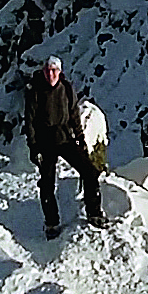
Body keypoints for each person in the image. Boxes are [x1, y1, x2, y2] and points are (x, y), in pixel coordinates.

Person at [22, 53, 104, 236]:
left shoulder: (66, 89)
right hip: (45, 142)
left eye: (54, 70)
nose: (50, 74)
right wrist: (34, 148)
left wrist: (81, 139)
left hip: (65, 138)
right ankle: (51, 223)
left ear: (60, 72)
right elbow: (30, 122)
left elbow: (74, 115)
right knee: (47, 183)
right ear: (43, 71)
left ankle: (94, 213)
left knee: (90, 172)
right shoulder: (35, 91)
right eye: (48, 70)